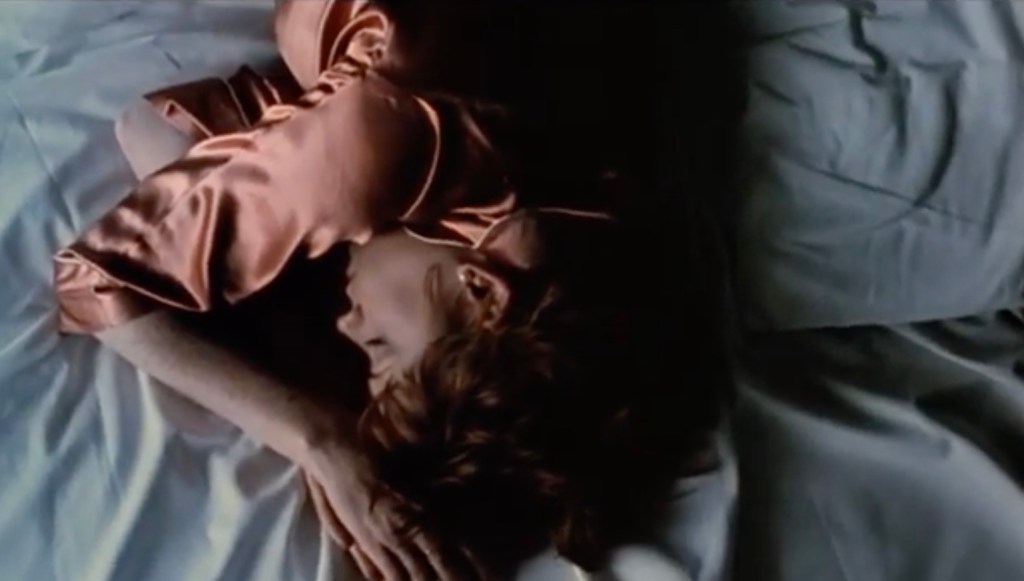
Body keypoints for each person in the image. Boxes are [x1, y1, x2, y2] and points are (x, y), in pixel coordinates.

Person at [54, 1, 732, 578]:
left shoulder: (614, 239)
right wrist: (316, 435)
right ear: (481, 290)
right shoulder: (391, 141)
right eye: (376, 343)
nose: (344, 323)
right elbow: (100, 273)